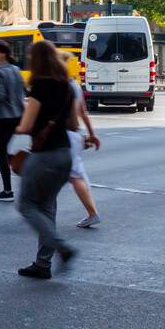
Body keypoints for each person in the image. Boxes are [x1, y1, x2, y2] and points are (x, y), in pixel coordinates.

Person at [10, 39, 80, 279]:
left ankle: (63, 247)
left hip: (44, 156)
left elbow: (27, 125)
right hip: (64, 154)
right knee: (47, 208)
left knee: (26, 205)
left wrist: (17, 127)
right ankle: (43, 264)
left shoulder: (39, 85)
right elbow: (73, 123)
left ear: (36, 61)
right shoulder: (68, 86)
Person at [0, 41, 26, 202]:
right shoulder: (16, 69)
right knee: (4, 149)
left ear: (3, 54)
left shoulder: (0, 72)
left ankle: (7, 190)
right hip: (17, 115)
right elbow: (24, 90)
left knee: (1, 152)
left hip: (3, 117)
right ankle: (19, 162)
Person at [67, 76, 104, 228]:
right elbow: (82, 111)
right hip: (74, 135)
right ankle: (92, 213)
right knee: (76, 176)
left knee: (74, 177)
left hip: (61, 136)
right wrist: (91, 134)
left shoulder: (51, 82)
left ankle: (93, 213)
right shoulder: (74, 84)